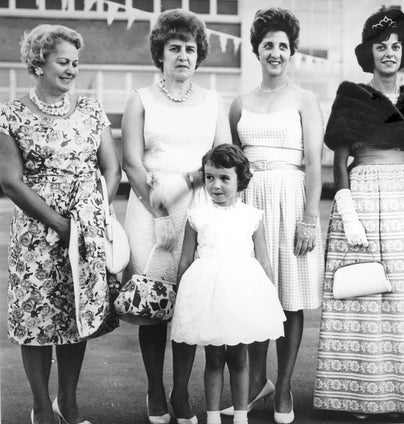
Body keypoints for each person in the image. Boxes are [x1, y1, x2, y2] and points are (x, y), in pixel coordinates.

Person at [314, 8, 404, 417]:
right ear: (368, 52)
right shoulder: (351, 94)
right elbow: (338, 161)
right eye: (380, 46)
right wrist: (347, 208)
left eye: (395, 46)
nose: (388, 53)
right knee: (365, 294)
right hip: (364, 199)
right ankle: (361, 395)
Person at [0, 24, 121, 424]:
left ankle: (67, 403)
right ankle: (40, 407)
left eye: (75, 63)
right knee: (37, 318)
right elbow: (10, 181)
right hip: (36, 233)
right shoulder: (11, 113)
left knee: (75, 316)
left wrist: (94, 214)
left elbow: (111, 166)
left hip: (85, 228)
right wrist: (60, 224)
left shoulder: (90, 109)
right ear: (39, 63)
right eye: (63, 62)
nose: (71, 70)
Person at [121, 8, 230, 424]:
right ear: (160, 53)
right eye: (174, 48)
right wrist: (157, 208)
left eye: (189, 48)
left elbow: (222, 160)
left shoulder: (213, 101)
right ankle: (154, 389)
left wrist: (188, 185)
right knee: (153, 302)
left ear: (198, 54)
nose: (182, 55)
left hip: (198, 206)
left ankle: (181, 391)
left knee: (189, 302)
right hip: (149, 208)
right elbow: (132, 163)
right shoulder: (140, 98)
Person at [224, 7, 324, 423]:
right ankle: (257, 382)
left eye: (283, 46)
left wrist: (309, 218)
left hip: (290, 197)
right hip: (251, 205)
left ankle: (282, 389)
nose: (276, 52)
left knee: (291, 298)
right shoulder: (239, 103)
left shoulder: (305, 99)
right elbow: (232, 163)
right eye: (269, 45)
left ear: (292, 52)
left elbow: (316, 164)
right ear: (257, 51)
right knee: (255, 295)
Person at [171, 144, 286, 424]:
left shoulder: (252, 216)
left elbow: (264, 260)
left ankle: (240, 417)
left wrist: (269, 295)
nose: (216, 185)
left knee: (239, 358)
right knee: (213, 360)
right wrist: (181, 297)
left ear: (240, 180)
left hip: (241, 294)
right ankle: (212, 417)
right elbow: (186, 260)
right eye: (209, 177)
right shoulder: (196, 215)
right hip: (207, 294)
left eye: (224, 178)